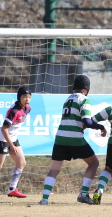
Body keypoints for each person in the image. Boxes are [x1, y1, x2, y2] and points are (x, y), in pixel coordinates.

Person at [39, 75, 106, 205]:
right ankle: (83, 194)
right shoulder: (84, 100)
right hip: (74, 137)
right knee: (94, 163)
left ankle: (44, 199)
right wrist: (101, 127)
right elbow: (87, 121)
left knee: (54, 169)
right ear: (87, 89)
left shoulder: (68, 98)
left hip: (60, 137)